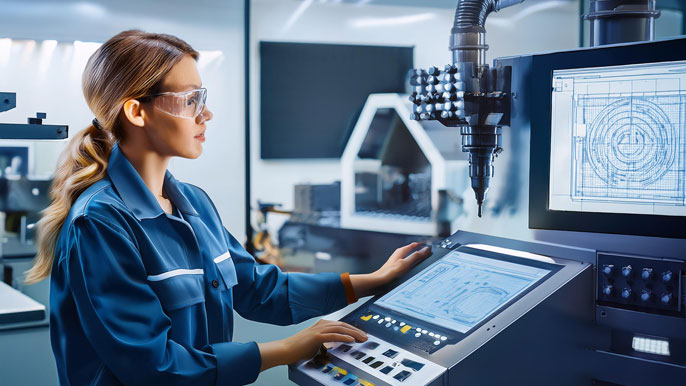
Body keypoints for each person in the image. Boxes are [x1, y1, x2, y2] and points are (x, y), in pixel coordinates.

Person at [25, 30, 431, 386]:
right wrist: (287, 349)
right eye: (190, 100)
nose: (206, 114)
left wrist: (372, 281)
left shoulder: (193, 203)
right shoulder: (100, 222)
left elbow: (257, 288)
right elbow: (155, 367)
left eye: (204, 97)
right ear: (136, 111)